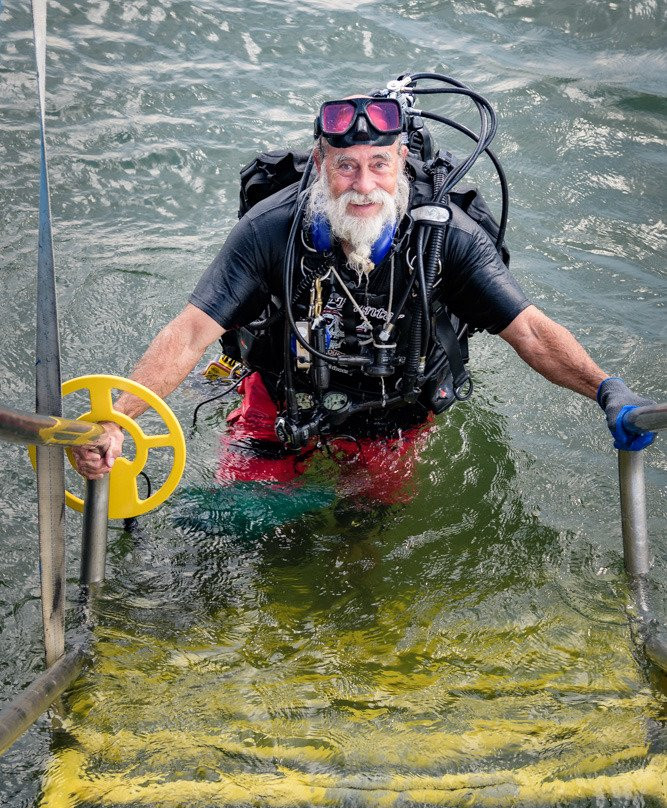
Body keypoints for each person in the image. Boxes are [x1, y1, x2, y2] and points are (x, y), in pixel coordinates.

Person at [72, 87, 655, 500]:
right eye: (346, 166)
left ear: (401, 160)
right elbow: (192, 329)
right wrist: (120, 417)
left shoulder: (445, 237)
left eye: (379, 163)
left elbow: (529, 330)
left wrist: (607, 390)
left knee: (366, 536)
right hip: (285, 398)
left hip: (396, 412)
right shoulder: (272, 231)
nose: (365, 184)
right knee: (241, 523)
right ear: (322, 162)